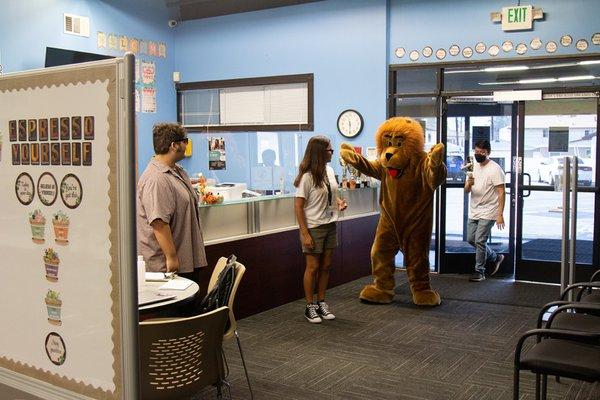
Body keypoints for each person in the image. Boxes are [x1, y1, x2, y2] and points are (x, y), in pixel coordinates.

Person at [137, 123, 207, 284]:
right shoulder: (156, 178)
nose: (187, 145)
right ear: (174, 145)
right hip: (166, 266)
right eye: (185, 141)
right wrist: (171, 257)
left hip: (186, 258)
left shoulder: (177, 171)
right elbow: (159, 222)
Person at [294, 136, 347, 323]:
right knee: (313, 267)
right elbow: (299, 206)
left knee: (326, 266)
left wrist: (338, 202)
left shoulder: (330, 171)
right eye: (329, 150)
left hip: (330, 224)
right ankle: (309, 307)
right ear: (319, 152)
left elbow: (331, 193)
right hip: (314, 227)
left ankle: (321, 302)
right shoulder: (307, 177)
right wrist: (304, 233)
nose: (331, 153)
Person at [464, 139, 505, 282]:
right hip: (474, 209)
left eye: (481, 152)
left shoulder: (495, 169)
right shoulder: (472, 166)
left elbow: (501, 192)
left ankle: (479, 271)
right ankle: (495, 257)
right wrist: (468, 183)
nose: (478, 154)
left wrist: (500, 214)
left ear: (488, 153)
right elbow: (466, 190)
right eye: (476, 151)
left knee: (480, 240)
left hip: (490, 211)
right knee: (471, 239)